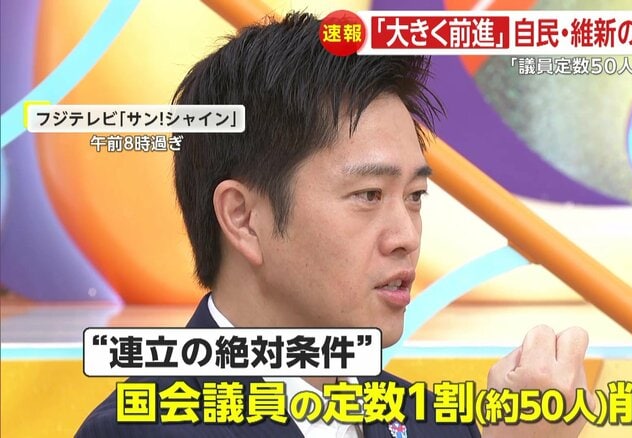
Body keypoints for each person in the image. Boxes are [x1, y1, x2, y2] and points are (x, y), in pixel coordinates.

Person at [77, 11, 591, 437]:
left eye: (415, 197)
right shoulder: (142, 429)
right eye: (368, 195)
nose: (406, 237)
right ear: (243, 218)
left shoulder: (429, 421)